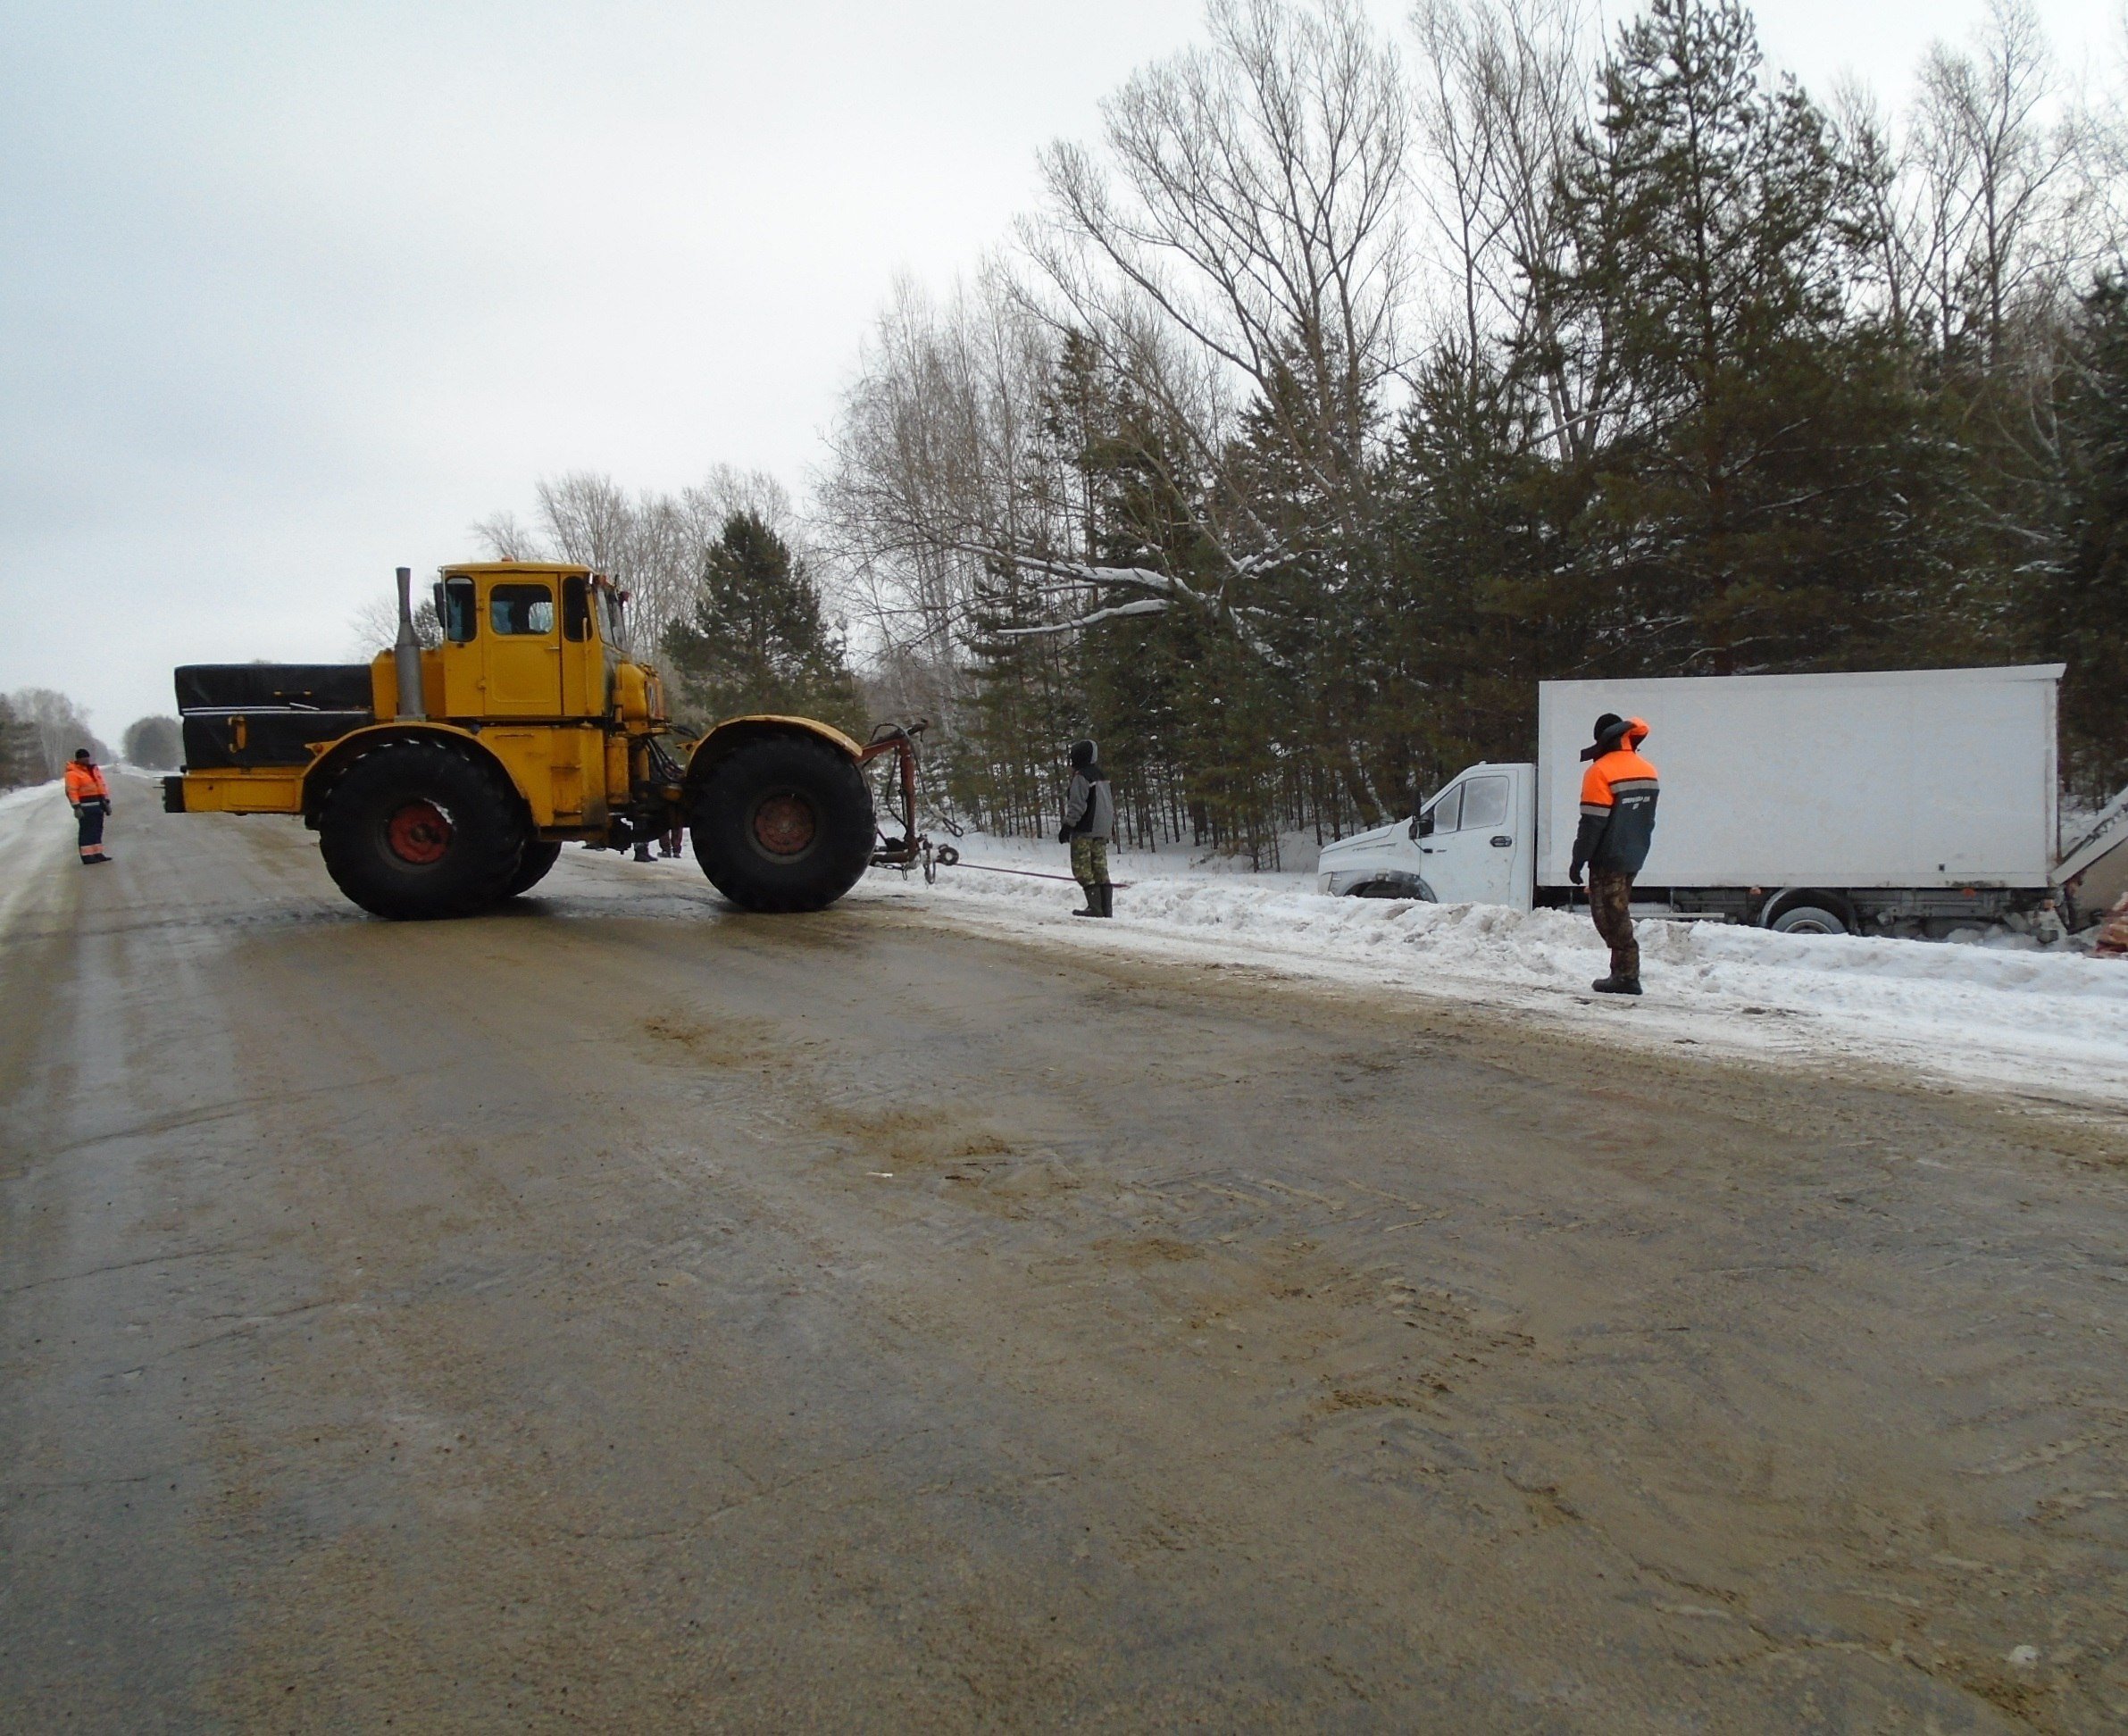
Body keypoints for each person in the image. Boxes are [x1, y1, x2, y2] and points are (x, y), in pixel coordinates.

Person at [1569, 714, 1658, 996]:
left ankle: (1627, 975)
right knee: (1616, 910)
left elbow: (1592, 823)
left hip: (1608, 856)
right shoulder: (1647, 769)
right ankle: (1621, 972)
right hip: (1636, 852)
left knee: (1608, 915)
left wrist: (1579, 859)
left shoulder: (1600, 771)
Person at [1057, 738, 1115, 918]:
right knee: (1100, 868)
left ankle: (1095, 908)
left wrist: (1068, 825)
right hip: (1102, 828)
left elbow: (1077, 805)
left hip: (1085, 828)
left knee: (1082, 869)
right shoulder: (1101, 775)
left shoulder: (1081, 777)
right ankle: (1106, 909)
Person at [64, 748, 113, 866]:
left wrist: (105, 802)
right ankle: (86, 856)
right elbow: (72, 791)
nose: (86, 759)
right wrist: (76, 807)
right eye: (83, 757)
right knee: (87, 831)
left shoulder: (93, 771)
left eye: (87, 757)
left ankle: (97, 853)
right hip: (85, 807)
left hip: (98, 805)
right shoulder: (72, 773)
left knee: (97, 829)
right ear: (78, 759)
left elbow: (101, 786)